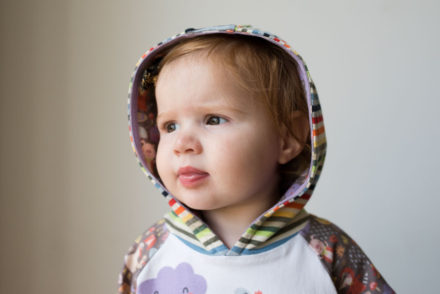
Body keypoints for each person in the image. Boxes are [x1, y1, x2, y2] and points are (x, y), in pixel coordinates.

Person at [119, 25, 394, 294]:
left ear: (286, 138)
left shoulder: (327, 251)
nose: (182, 145)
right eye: (169, 126)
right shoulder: (151, 252)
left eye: (214, 119)